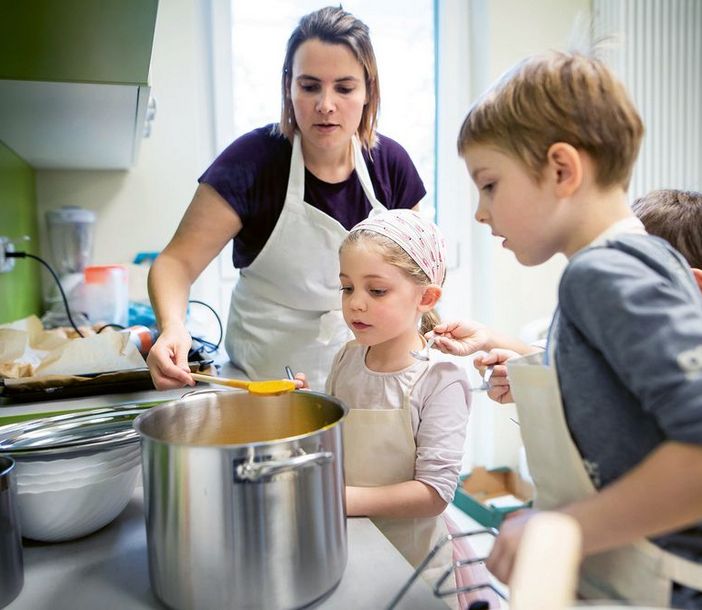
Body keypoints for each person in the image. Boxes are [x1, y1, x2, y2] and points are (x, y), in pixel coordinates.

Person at [436, 50, 702, 608]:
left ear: (561, 169)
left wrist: (563, 527)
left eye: (489, 185)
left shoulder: (599, 272)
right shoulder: (646, 259)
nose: (481, 214)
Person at [146, 6, 426, 391]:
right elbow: (175, 262)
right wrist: (172, 328)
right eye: (310, 86)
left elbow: (417, 278)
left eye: (344, 88)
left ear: (368, 91)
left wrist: (437, 343)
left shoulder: (390, 166)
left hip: (368, 383)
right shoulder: (252, 162)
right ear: (288, 86)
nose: (325, 105)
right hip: (265, 385)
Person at [320, 209, 500, 609]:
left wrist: (339, 501)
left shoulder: (440, 378)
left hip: (412, 562)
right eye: (347, 288)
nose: (356, 305)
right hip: (349, 545)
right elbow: (335, 447)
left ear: (426, 297)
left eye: (376, 291)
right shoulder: (346, 359)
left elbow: (434, 493)